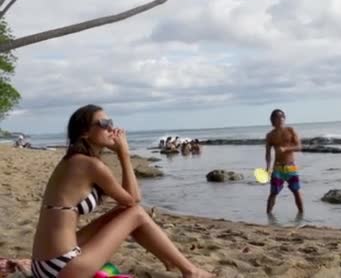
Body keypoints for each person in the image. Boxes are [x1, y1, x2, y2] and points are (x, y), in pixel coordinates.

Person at [30, 104, 214, 278]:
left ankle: (171, 260)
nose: (112, 129)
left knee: (123, 211)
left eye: (111, 123)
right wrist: (123, 154)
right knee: (136, 213)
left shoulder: (74, 160)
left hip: (44, 265)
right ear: (85, 133)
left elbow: (127, 203)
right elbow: (133, 200)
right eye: (104, 124)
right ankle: (190, 271)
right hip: (62, 267)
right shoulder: (89, 164)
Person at [265, 109, 304, 215]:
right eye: (277, 117)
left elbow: (299, 147)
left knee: (296, 191)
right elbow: (268, 154)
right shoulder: (270, 135)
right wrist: (267, 167)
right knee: (273, 193)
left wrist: (286, 149)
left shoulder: (290, 130)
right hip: (277, 168)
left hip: (291, 167)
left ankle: (301, 216)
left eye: (282, 116)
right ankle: (268, 217)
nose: (281, 119)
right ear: (272, 120)